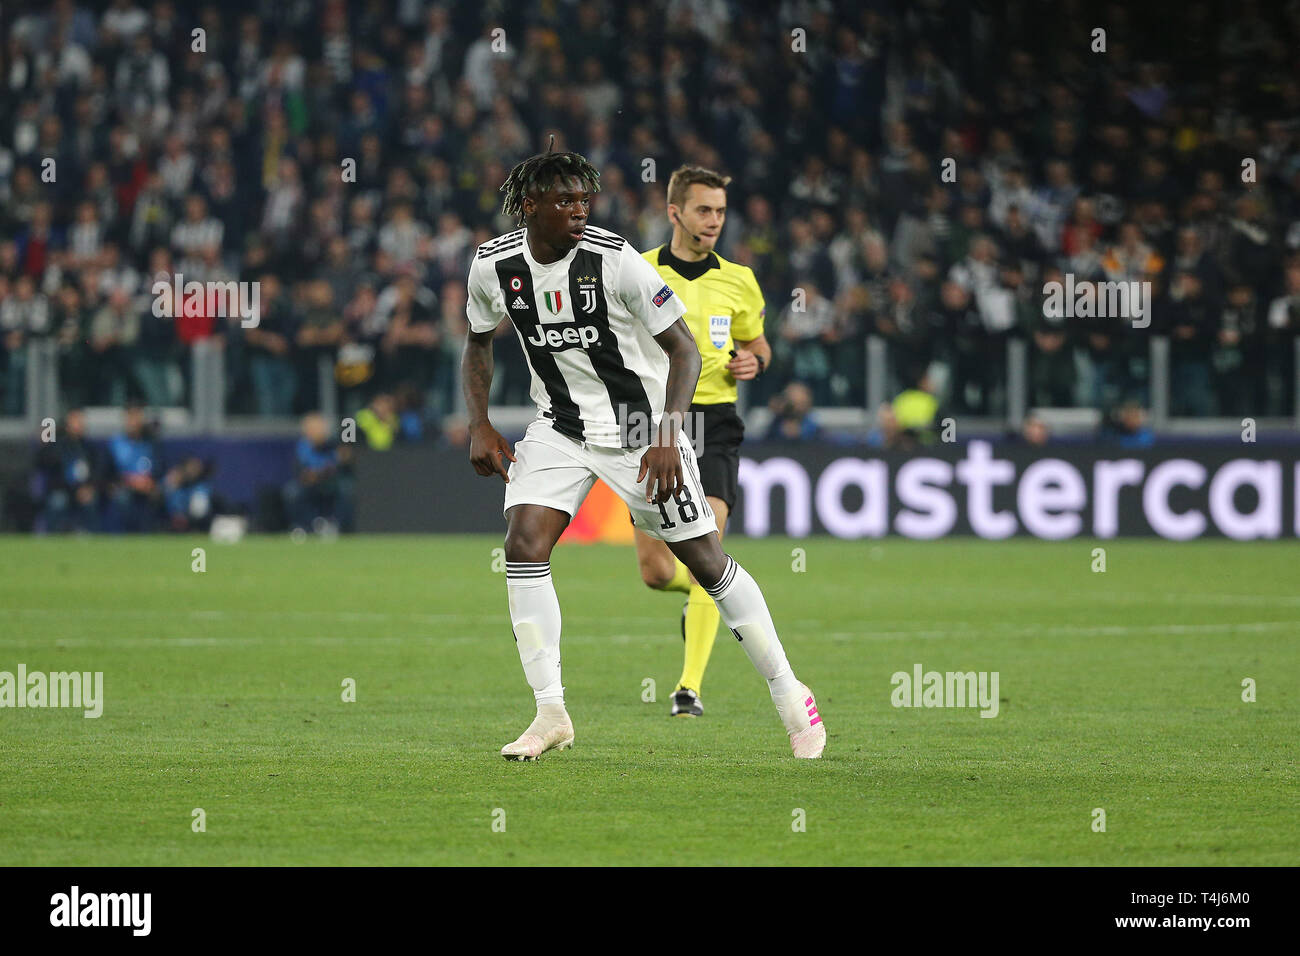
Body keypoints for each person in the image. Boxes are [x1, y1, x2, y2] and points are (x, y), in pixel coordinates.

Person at [463, 148, 824, 761]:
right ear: (530, 207)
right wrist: (480, 423)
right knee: (523, 546)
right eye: (565, 201)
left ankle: (791, 693)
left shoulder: (614, 259)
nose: (580, 211)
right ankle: (550, 710)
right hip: (559, 425)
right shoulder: (493, 267)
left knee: (706, 564)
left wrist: (665, 436)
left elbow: (684, 351)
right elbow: (476, 342)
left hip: (639, 426)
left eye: (584, 199)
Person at [632, 165, 772, 718]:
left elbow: (759, 347)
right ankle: (712, 595)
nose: (714, 220)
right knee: (657, 572)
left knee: (706, 547)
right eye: (702, 210)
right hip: (652, 420)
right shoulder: (638, 272)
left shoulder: (739, 279)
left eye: (719, 211)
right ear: (675, 213)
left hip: (714, 419)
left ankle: (687, 688)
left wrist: (752, 361)